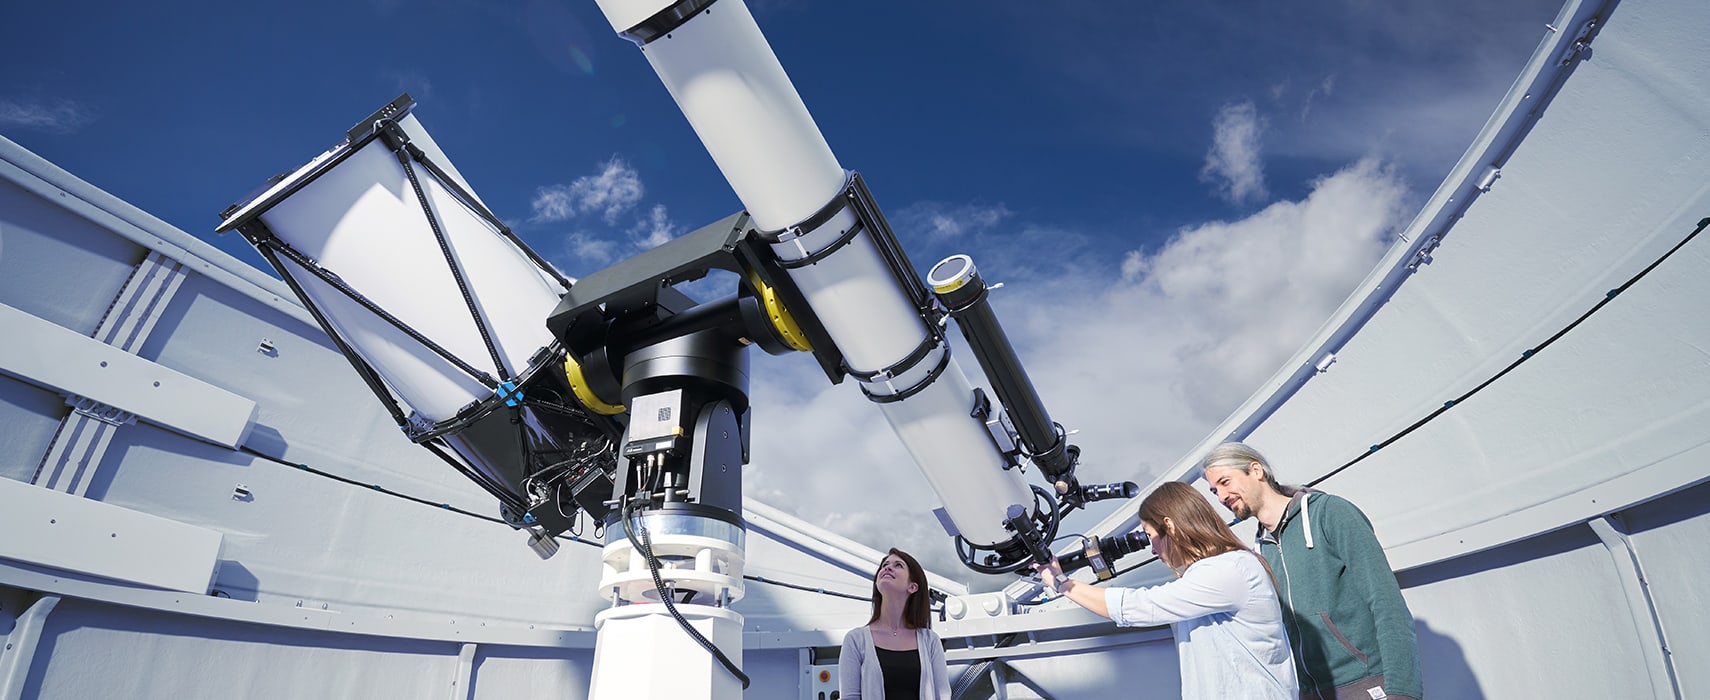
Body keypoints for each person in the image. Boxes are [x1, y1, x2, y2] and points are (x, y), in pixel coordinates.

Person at [1201, 441, 1422, 700]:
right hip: (1312, 694)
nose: (1221, 497)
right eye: (1214, 490)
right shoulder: (1261, 549)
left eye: (1225, 482)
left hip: (1366, 683)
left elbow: (1386, 602)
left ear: (1256, 470)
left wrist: (1402, 692)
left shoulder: (1329, 513)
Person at [1037, 481, 1298, 699]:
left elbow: (1140, 606)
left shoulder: (1227, 570)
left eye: (1151, 536)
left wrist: (1061, 582)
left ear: (1170, 526)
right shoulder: (1220, 570)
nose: (1152, 549)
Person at [839, 548, 952, 700]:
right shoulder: (855, 639)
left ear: (913, 587)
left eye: (898, 565)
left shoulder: (930, 640)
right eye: (885, 564)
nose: (887, 567)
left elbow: (943, 696)